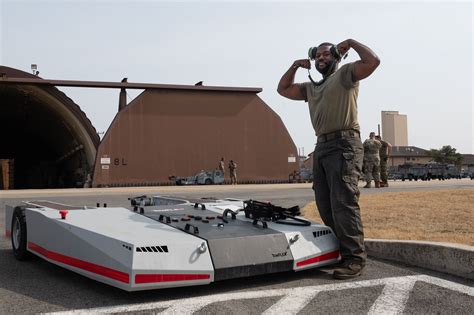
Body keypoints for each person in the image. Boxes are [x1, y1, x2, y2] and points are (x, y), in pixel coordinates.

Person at [277, 39, 380, 279]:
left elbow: (373, 62)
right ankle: (343, 253)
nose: (321, 59)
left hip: (344, 145)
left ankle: (355, 258)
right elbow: (283, 89)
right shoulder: (310, 88)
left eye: (326, 54)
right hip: (322, 147)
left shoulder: (346, 74)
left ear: (335, 55)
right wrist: (293, 66)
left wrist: (351, 42)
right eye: (317, 56)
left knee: (343, 203)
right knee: (325, 204)